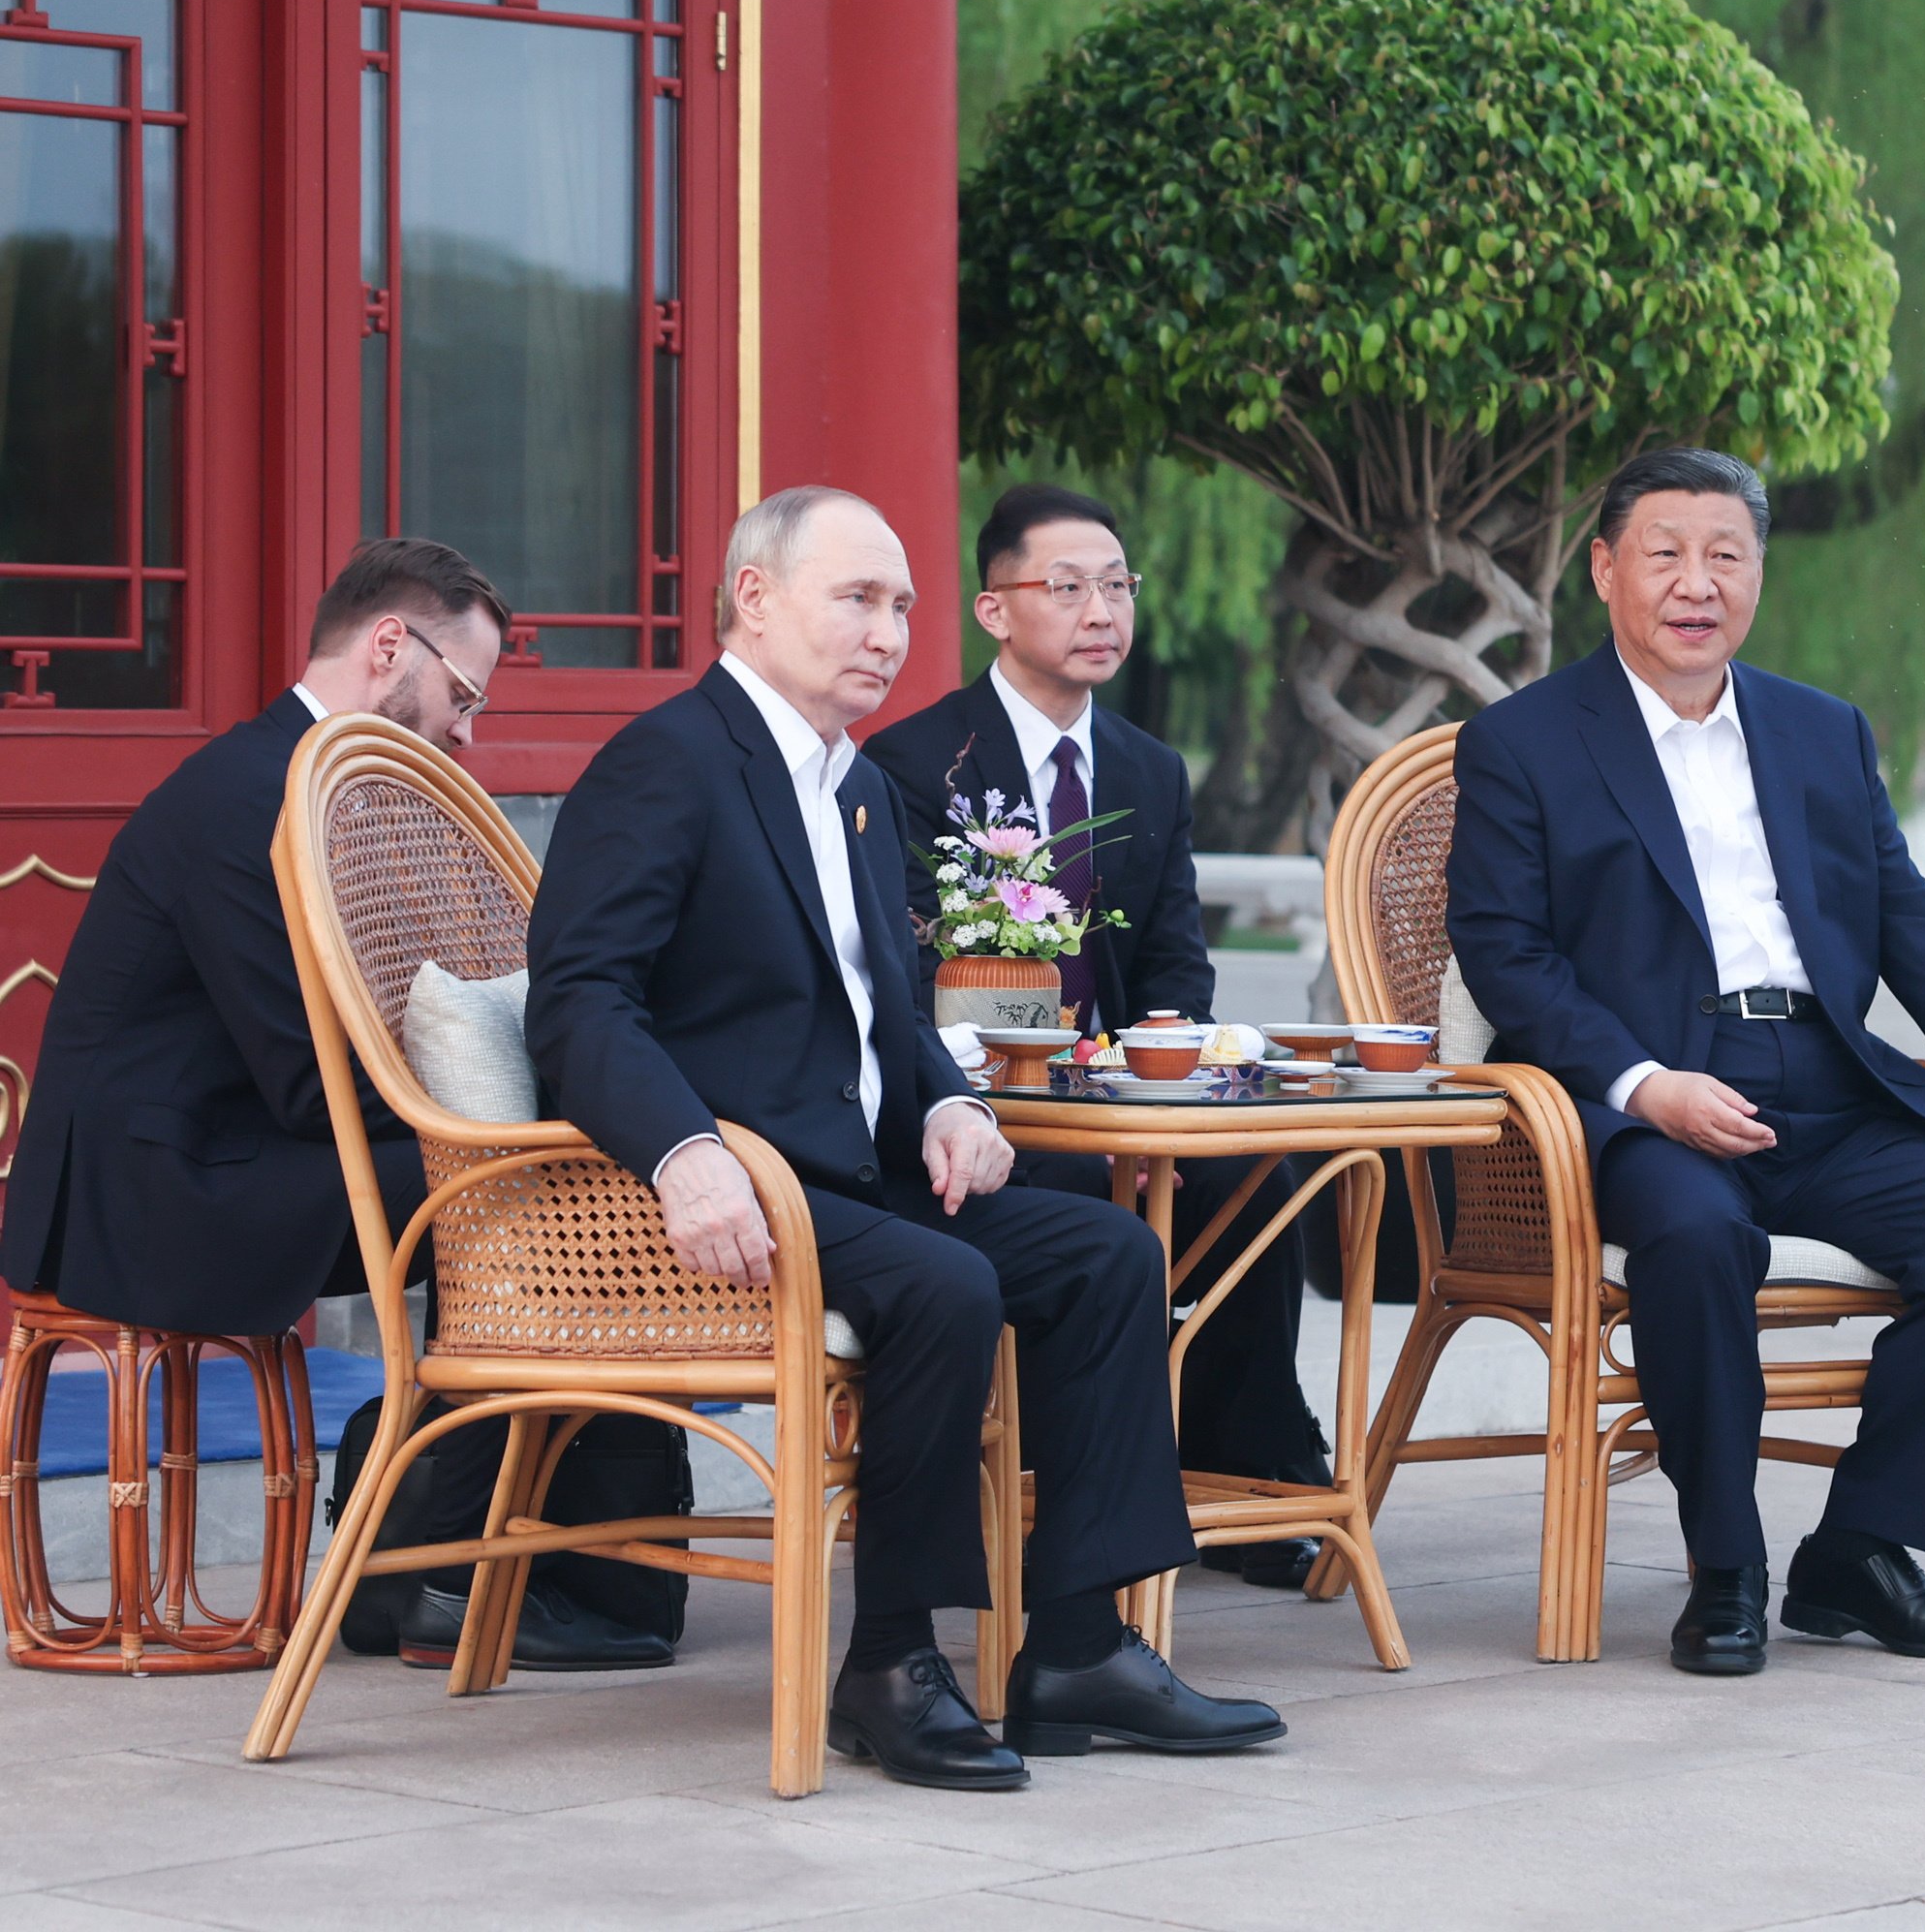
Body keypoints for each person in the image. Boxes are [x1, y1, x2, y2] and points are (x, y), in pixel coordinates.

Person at [525, 484, 1287, 1792]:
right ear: (755, 600)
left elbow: (897, 1012)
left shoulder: (861, 790)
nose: (887, 633)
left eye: (902, 608)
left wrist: (954, 1103)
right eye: (857, 600)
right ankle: (889, 1662)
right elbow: (581, 1002)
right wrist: (681, 1153)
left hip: (864, 1169)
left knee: (1104, 1254)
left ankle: (1078, 1647)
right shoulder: (670, 762)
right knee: (949, 1283)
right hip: (745, 1184)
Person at [1, 539, 667, 1671]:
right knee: (537, 1197)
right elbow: (313, 1084)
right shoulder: (253, 793)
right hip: (162, 1184)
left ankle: (453, 1538)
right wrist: (498, 1127)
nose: (468, 729)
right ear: (389, 646)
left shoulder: (328, 782)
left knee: (566, 1178)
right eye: (464, 692)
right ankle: (427, 1562)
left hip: (245, 1142)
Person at [1446, 448, 1925, 1677]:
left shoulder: (1819, 730)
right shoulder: (1523, 741)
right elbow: (1503, 953)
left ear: (1757, 574)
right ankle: (1725, 1564)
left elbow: (1907, 915)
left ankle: (1861, 1550)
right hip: (1643, 1093)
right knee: (1694, 1238)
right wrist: (1641, 1084)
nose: (1696, 582)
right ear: (1605, 567)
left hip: (1823, 1082)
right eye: (1665, 552)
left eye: (1724, 554)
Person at [864, 483, 1333, 1588]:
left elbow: (1175, 956)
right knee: (1080, 1201)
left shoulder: (1148, 768)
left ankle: (1250, 1472)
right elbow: (919, 963)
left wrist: (1161, 1052)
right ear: (993, 609)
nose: (1099, 609)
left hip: (1122, 1089)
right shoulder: (913, 762)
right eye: (1065, 586)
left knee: (1259, 1181)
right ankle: (1063, 1489)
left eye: (1116, 586)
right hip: (984, 1099)